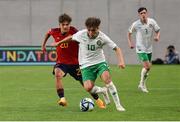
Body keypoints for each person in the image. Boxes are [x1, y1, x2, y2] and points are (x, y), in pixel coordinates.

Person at [52, 17, 126, 111]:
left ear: (98, 28)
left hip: (100, 63)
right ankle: (103, 90)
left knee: (107, 80)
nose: (91, 33)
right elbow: (70, 38)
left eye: (93, 30)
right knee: (88, 88)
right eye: (89, 30)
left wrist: (121, 61)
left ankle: (118, 105)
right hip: (86, 66)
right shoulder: (81, 34)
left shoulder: (102, 37)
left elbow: (117, 48)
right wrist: (59, 43)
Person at [41, 13, 107, 108]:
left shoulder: (74, 31)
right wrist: (43, 45)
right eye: (63, 24)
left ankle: (98, 100)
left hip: (76, 64)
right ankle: (62, 99)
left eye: (67, 24)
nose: (65, 26)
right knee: (57, 74)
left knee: (86, 86)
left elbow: (83, 39)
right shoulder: (54, 31)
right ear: (59, 25)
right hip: (62, 63)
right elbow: (48, 33)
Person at [127, 7, 160, 93]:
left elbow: (158, 30)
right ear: (139, 15)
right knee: (147, 66)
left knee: (148, 68)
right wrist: (130, 43)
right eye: (141, 13)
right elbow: (129, 33)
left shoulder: (152, 22)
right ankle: (141, 84)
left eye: (144, 12)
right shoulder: (136, 24)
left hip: (149, 47)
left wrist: (157, 36)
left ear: (147, 13)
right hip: (140, 48)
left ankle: (142, 84)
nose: (143, 14)